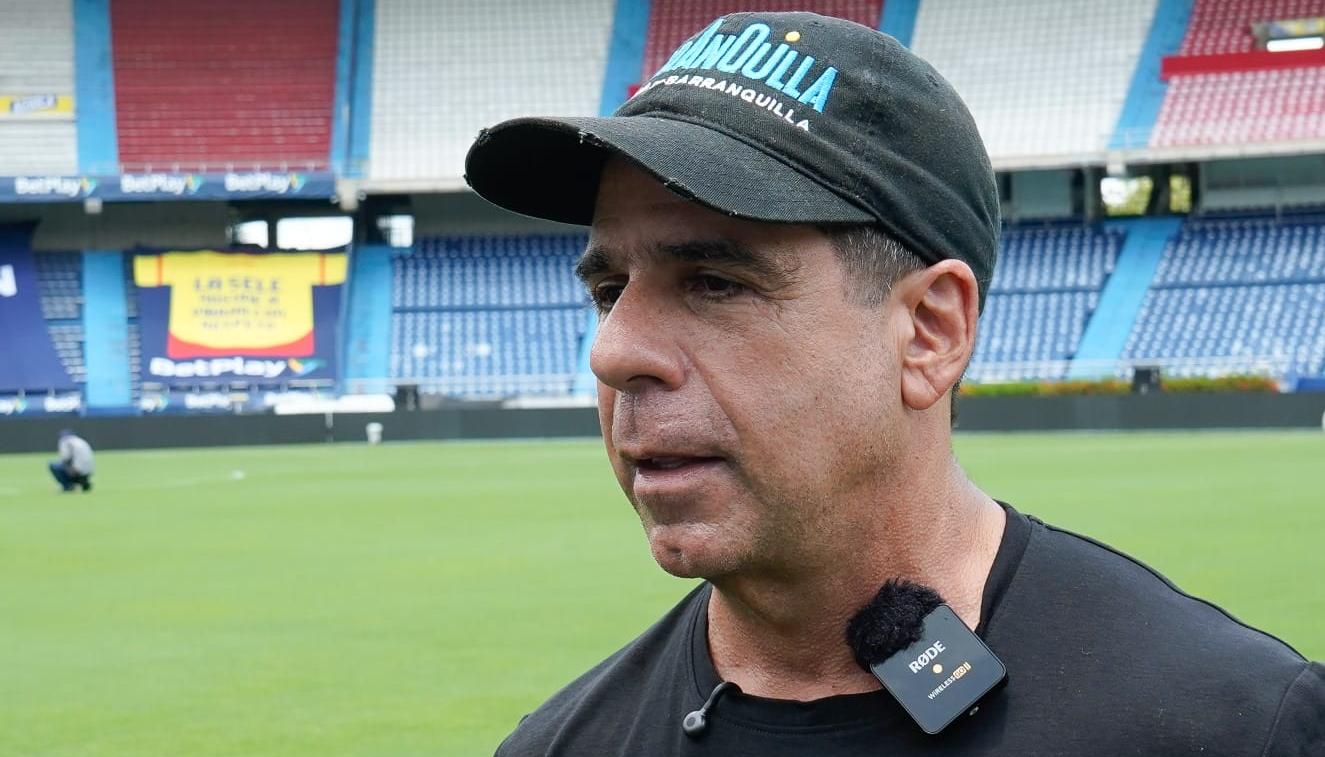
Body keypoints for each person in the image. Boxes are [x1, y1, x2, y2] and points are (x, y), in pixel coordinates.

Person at [464, 12, 1324, 755]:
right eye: (609, 290)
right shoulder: (560, 743)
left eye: (714, 282)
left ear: (928, 333)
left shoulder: (1234, 724)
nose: (614, 353)